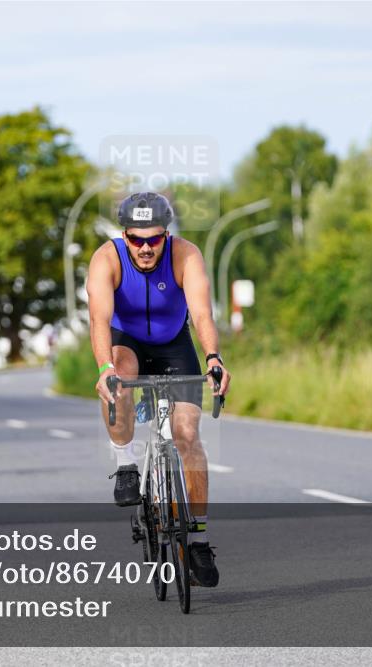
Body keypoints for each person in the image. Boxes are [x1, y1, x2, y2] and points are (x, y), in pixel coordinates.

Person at [87, 191, 232, 588]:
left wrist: (214, 359)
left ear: (166, 235)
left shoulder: (186, 255)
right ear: (125, 236)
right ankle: (125, 464)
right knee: (120, 377)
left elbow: (201, 312)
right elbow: (99, 319)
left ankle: (198, 539)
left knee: (187, 436)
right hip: (126, 341)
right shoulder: (107, 259)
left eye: (155, 239)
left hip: (174, 344)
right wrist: (104, 369)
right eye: (137, 239)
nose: (147, 248)